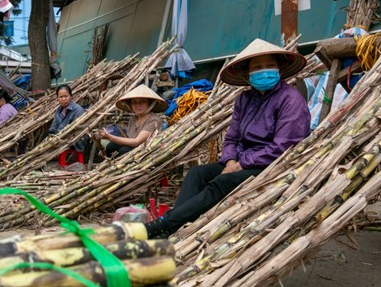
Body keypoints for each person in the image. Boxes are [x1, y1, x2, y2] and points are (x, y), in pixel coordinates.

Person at [145, 38, 311, 238]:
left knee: (221, 182)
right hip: (240, 161)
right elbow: (231, 137)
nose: (264, 70)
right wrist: (231, 160)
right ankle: (172, 229)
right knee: (197, 173)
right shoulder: (244, 99)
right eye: (257, 67)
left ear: (279, 68)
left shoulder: (290, 98)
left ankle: (163, 225)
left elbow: (284, 146)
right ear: (248, 73)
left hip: (270, 165)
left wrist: (241, 164)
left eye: (270, 65)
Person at [98, 85, 166, 157]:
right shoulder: (133, 118)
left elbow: (137, 142)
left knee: (124, 150)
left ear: (149, 103)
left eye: (142, 102)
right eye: (134, 102)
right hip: (132, 148)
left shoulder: (154, 120)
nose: (138, 105)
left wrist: (109, 137)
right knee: (111, 146)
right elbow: (129, 138)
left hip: (146, 152)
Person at [47, 84, 86, 151]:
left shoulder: (78, 110)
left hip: (74, 140)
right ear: (57, 98)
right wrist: (50, 135)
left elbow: (77, 131)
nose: (63, 99)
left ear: (71, 96)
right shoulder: (59, 110)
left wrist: (59, 137)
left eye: (66, 96)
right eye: (61, 97)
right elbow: (54, 126)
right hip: (59, 137)